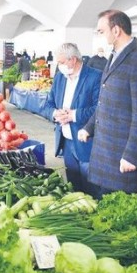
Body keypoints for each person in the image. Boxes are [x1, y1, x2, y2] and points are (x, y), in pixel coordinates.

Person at [78, 9, 137, 199]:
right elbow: (105, 99)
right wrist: (88, 128)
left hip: (122, 154)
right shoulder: (114, 55)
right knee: (106, 207)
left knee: (124, 212)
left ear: (116, 30)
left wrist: (131, 154)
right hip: (106, 151)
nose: (100, 35)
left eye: (101, 30)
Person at [45, 43, 102, 192]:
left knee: (91, 188)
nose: (59, 66)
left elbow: (100, 109)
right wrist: (55, 113)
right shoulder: (59, 78)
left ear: (74, 60)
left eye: (62, 62)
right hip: (67, 142)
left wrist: (73, 115)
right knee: (74, 186)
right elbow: (48, 103)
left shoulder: (95, 77)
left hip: (86, 143)